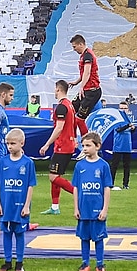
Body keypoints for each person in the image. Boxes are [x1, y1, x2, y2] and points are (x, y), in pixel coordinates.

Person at [0, 127, 37, 271]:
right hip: (5, 206)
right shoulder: (2, 162)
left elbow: (30, 185)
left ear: (22, 143)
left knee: (19, 234)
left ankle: (19, 263)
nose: (10, 147)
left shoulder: (28, 163)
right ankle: (7, 261)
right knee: (6, 233)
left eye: (13, 143)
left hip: (20, 207)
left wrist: (26, 206)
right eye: (8, 144)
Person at [72, 131, 112, 271]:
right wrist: (76, 207)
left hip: (97, 210)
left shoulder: (103, 165)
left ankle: (100, 264)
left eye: (88, 145)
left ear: (97, 146)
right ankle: (85, 263)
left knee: (99, 238)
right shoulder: (80, 166)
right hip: (83, 209)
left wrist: (104, 209)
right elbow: (76, 187)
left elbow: (107, 188)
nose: (85, 148)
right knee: (84, 237)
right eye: (83, 146)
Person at [38, 80, 78, 215]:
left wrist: (47, 144)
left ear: (58, 89)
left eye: (55, 89)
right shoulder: (70, 105)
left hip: (63, 146)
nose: (54, 92)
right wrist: (75, 139)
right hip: (67, 144)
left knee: (53, 177)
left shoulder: (61, 107)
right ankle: (55, 207)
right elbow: (74, 124)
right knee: (56, 175)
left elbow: (59, 128)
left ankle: (78, 193)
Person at [68, 34, 102, 120]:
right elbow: (84, 74)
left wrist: (81, 87)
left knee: (80, 118)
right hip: (87, 90)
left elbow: (87, 73)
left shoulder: (88, 55)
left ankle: (85, 133)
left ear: (81, 44)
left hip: (92, 91)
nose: (74, 49)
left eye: (74, 47)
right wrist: (76, 82)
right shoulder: (84, 55)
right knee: (72, 109)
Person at [109, 100, 134, 190]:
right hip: (118, 145)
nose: (123, 110)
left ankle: (126, 184)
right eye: (121, 108)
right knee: (114, 165)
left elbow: (131, 131)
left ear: (128, 109)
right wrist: (128, 126)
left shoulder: (128, 118)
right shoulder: (117, 119)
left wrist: (133, 128)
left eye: (125, 108)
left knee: (127, 166)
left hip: (127, 145)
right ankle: (110, 183)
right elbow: (118, 130)